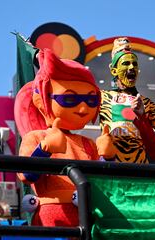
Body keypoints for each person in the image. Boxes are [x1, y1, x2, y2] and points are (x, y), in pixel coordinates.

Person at [15, 48, 113, 227]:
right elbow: (27, 175)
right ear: (40, 100)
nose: (83, 109)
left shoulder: (87, 143)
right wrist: (44, 151)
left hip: (87, 214)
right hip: (52, 216)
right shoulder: (35, 137)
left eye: (91, 101)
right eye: (69, 99)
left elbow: (103, 183)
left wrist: (107, 158)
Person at [99, 37, 155, 164]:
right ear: (114, 70)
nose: (131, 67)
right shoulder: (102, 97)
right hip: (111, 165)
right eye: (126, 63)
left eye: (134, 64)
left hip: (140, 166)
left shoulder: (145, 102)